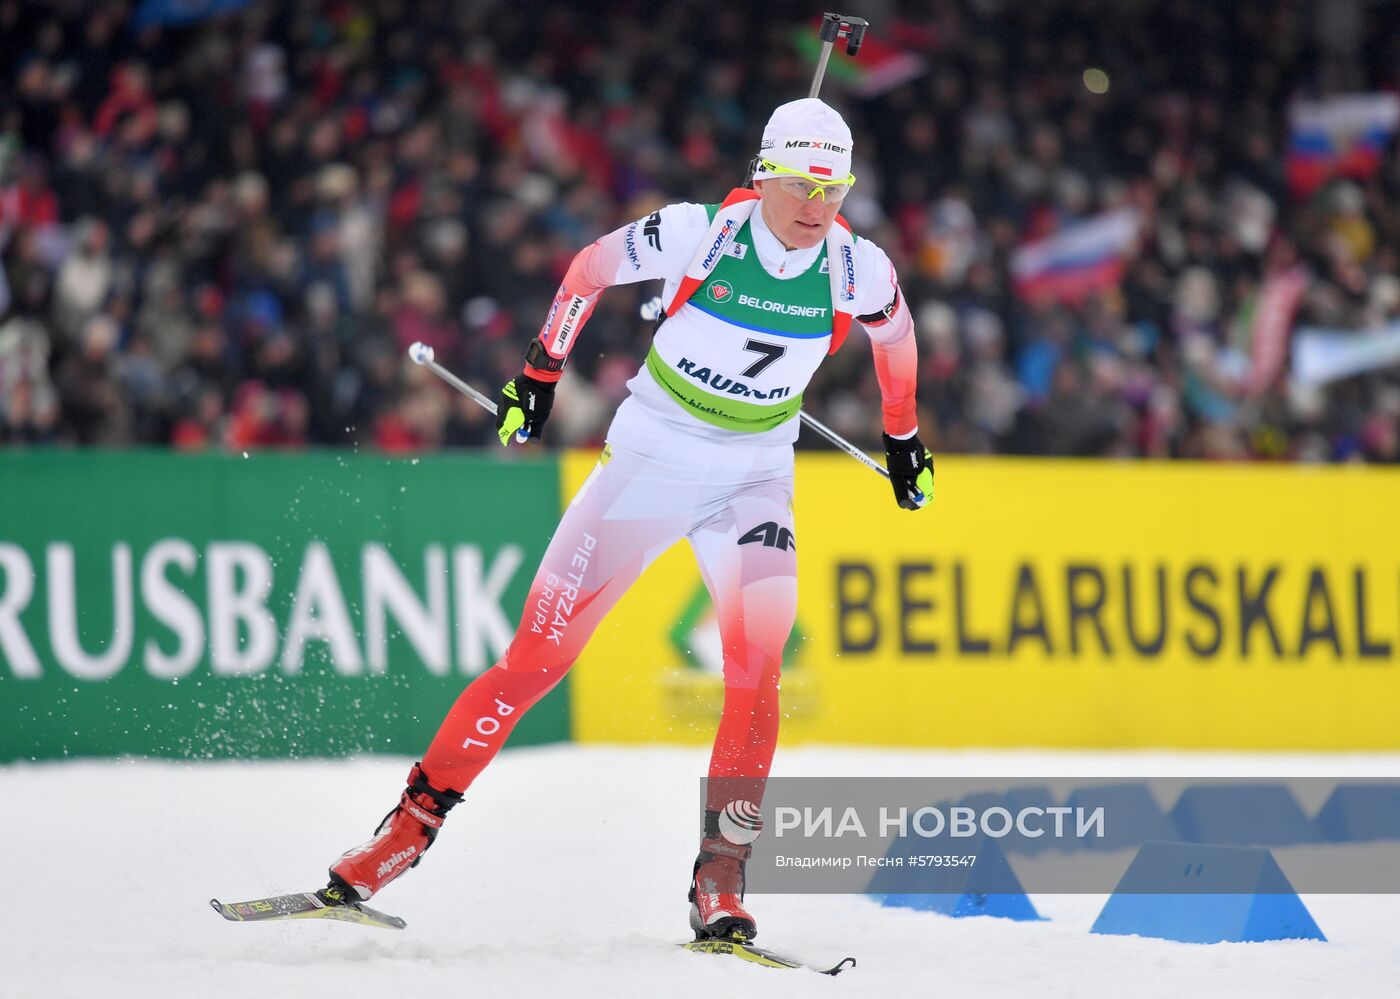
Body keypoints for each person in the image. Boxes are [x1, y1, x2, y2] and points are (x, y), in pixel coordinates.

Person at [326, 98, 934, 942]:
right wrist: (540, 374)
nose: (815, 205)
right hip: (653, 462)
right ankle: (406, 831)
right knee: (537, 661)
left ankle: (720, 875)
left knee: (757, 673)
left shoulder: (857, 266)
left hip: (754, 479)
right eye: (799, 184)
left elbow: (896, 339)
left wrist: (903, 437)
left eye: (833, 188)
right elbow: (587, 268)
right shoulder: (699, 234)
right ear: (763, 178)